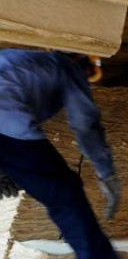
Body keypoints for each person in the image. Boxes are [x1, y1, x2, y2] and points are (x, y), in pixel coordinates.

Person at [0, 49, 121, 259]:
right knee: (65, 195)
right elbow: (85, 124)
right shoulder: (67, 66)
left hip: (7, 122)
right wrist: (106, 171)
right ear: (82, 60)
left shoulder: (25, 61)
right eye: (89, 73)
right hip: (7, 117)